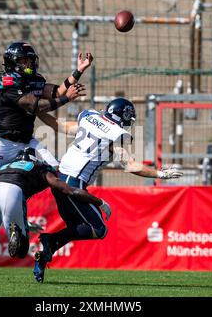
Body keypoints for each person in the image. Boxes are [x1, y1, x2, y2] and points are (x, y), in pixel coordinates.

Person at [32, 98, 183, 282]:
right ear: (123, 116)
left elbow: (60, 126)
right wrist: (161, 174)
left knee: (76, 228)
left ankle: (46, 252)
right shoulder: (116, 134)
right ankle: (49, 240)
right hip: (73, 182)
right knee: (99, 228)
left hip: (60, 178)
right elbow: (131, 166)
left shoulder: (90, 117)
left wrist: (36, 111)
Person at [0, 41, 93, 197]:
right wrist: (66, 99)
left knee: (56, 171)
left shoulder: (35, 79)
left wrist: (79, 70)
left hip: (27, 141)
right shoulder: (7, 81)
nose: (29, 64)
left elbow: (57, 92)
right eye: (24, 61)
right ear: (13, 62)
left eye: (30, 60)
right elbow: (35, 106)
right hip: (4, 143)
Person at [0, 147, 111, 283]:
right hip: (13, 192)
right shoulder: (41, 167)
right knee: (22, 251)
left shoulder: (4, 166)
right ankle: (16, 231)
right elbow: (68, 190)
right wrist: (99, 202)